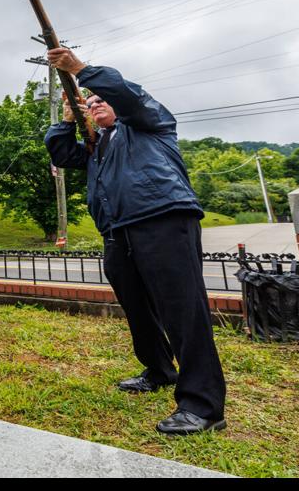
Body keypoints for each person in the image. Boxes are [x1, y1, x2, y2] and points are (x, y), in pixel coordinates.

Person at [44, 47, 227, 435]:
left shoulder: (148, 121)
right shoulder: (99, 146)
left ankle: (203, 406)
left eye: (100, 99)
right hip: (117, 230)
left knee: (183, 311)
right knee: (137, 308)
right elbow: (61, 153)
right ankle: (159, 370)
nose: (94, 105)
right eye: (88, 103)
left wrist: (80, 70)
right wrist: (65, 120)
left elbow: (128, 95)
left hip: (162, 217)